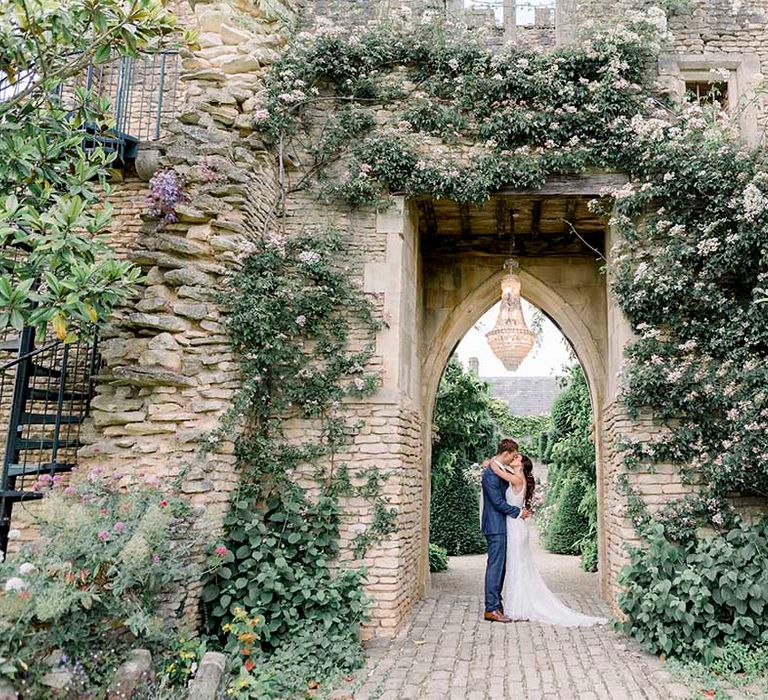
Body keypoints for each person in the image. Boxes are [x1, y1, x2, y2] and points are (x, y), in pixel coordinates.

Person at [489, 454, 607, 626]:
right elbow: (504, 470)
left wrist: (493, 460)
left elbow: (495, 469)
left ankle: (519, 607)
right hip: (516, 525)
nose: (513, 458)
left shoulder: (516, 478)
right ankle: (519, 604)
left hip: (515, 527)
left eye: (517, 458)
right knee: (518, 565)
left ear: (521, 465)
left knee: (517, 566)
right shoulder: (518, 476)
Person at [480, 438, 531, 623]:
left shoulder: (500, 470)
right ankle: (491, 608)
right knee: (495, 566)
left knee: (500, 566)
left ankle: (497, 604)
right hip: (495, 526)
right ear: (506, 454)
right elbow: (498, 503)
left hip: (503, 526)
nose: (515, 458)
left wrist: (491, 463)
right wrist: (518, 512)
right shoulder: (491, 475)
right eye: (514, 455)